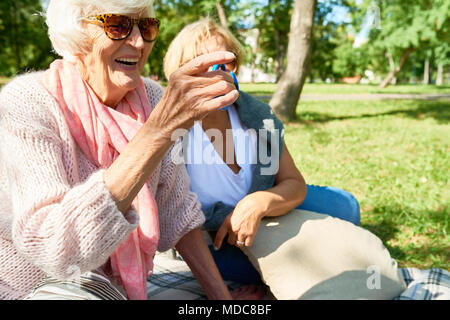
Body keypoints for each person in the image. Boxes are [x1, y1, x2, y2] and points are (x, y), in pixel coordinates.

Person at [0, 0, 258, 300]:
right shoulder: (27, 102)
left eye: (146, 27)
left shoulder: (150, 96)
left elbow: (176, 209)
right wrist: (157, 132)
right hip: (36, 286)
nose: (138, 42)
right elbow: (56, 251)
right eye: (118, 25)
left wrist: (222, 301)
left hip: (120, 287)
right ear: (78, 32)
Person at [163, 18, 361, 285]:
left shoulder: (257, 116)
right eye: (202, 61)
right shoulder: (171, 129)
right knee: (289, 263)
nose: (217, 70)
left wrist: (257, 203)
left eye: (225, 61)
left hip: (266, 215)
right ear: (180, 72)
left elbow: (293, 184)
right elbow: (173, 217)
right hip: (216, 238)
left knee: (347, 208)